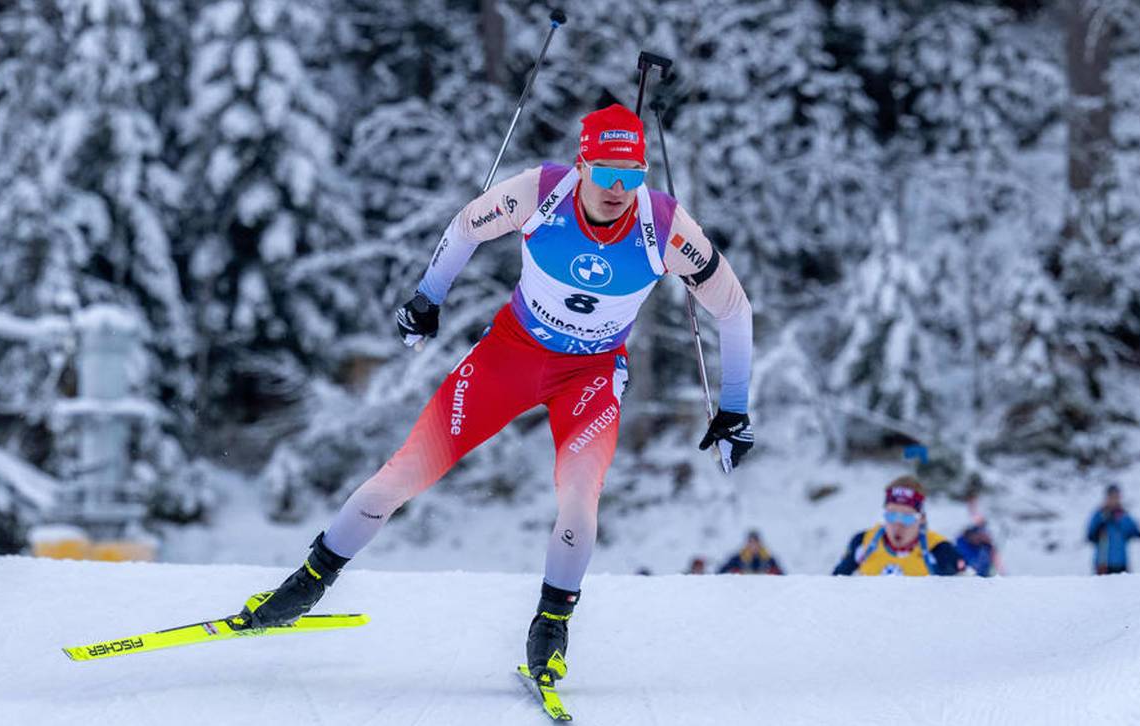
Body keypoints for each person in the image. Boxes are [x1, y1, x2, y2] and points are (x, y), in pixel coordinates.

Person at [232, 104, 754, 687]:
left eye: (631, 176)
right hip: (511, 355)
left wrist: (734, 406)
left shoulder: (666, 228)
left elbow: (734, 309)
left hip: (592, 374)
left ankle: (550, 629)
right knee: (407, 471)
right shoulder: (541, 193)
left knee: (580, 499)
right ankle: (306, 584)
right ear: (582, 164)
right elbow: (464, 227)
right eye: (605, 173)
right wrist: (427, 299)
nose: (618, 190)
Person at [832, 476, 964, 576]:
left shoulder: (939, 549)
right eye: (891, 515)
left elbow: (968, 592)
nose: (898, 524)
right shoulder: (863, 542)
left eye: (907, 517)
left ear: (922, 519)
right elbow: (834, 585)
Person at [1087, 484, 1140, 575]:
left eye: (1117, 497)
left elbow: (1135, 532)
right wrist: (1103, 523)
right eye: (1112, 497)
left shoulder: (1124, 515)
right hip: (1103, 564)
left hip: (1121, 564)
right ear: (1107, 498)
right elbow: (1090, 536)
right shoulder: (1099, 514)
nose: (1114, 500)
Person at [717, 530, 784, 575]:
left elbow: (782, 578)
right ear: (747, 544)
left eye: (755, 542)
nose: (753, 546)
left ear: (759, 544)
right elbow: (720, 574)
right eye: (751, 542)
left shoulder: (769, 561)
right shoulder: (737, 560)